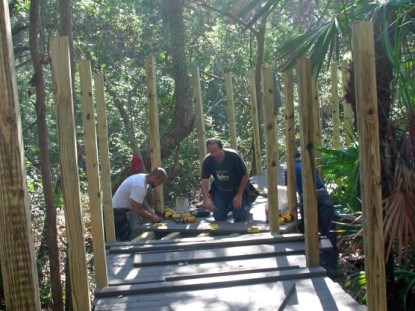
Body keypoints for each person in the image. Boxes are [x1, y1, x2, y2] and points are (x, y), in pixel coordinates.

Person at [287, 150, 337, 268]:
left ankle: (312, 262)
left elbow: (289, 192)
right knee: (328, 231)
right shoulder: (310, 165)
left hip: (308, 198)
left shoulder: (289, 169)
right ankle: (331, 264)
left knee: (309, 231)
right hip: (324, 196)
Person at [201, 138, 251, 222]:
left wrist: (239, 195)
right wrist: (206, 199)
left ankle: (247, 203)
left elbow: (245, 175)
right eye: (211, 151)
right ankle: (228, 207)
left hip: (237, 189)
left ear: (221, 148)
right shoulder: (207, 161)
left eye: (215, 151)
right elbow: (204, 181)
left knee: (239, 217)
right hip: (221, 190)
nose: (213, 154)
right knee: (218, 217)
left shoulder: (233, 156)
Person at [112, 167, 167, 241]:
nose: (158, 185)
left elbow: (142, 200)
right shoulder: (140, 185)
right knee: (126, 238)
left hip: (122, 209)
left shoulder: (143, 178)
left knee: (129, 234)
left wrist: (152, 213)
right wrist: (152, 217)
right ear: (154, 178)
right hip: (118, 211)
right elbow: (137, 209)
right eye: (159, 183)